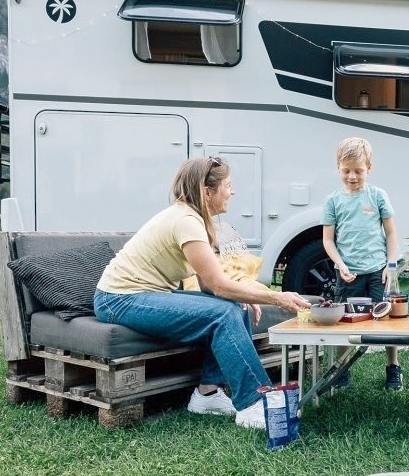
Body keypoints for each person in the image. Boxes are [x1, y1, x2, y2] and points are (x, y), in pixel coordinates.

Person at [94, 157, 310, 428]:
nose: (232, 192)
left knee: (234, 307)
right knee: (223, 315)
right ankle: (253, 403)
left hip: (145, 294)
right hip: (118, 299)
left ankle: (207, 394)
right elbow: (218, 286)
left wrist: (244, 296)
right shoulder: (186, 221)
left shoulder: (195, 219)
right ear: (207, 192)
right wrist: (277, 297)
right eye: (228, 186)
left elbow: (208, 285)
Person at [322, 137, 403, 391]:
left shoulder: (377, 196)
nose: (352, 176)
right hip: (348, 274)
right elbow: (328, 240)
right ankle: (342, 369)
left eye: (358, 171)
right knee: (344, 320)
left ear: (369, 167)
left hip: (378, 271)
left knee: (386, 320)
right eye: (346, 171)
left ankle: (393, 367)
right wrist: (340, 264)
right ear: (338, 168)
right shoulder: (333, 201)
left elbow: (391, 233)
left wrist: (390, 265)